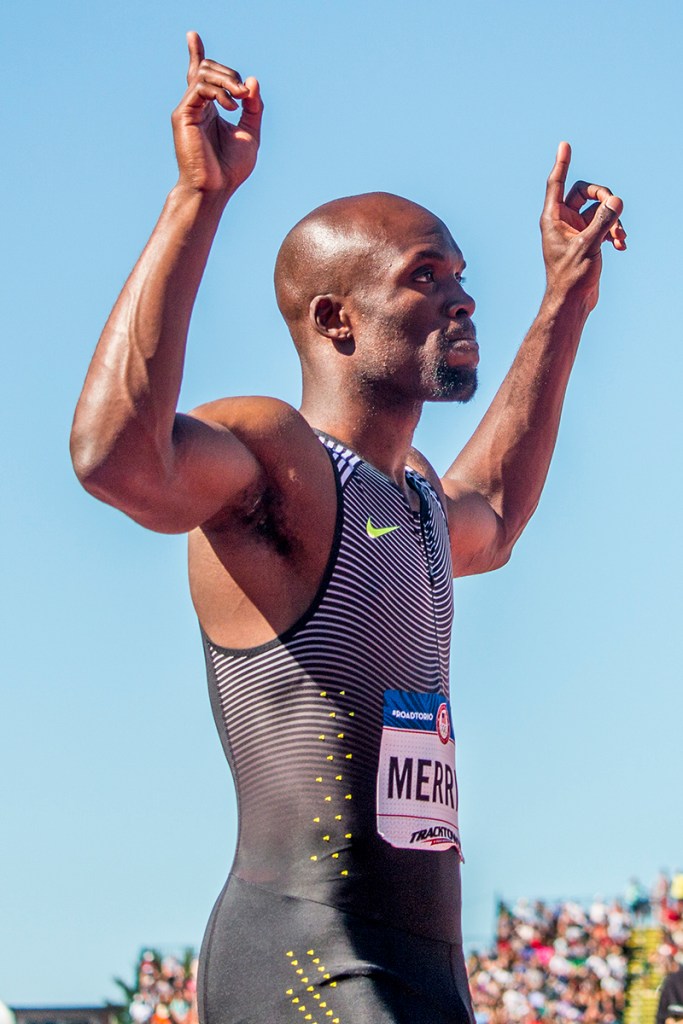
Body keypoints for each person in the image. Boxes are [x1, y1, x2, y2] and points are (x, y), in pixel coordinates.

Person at [70, 31, 626, 1024]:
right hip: (304, 960)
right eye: (425, 276)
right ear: (337, 321)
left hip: (423, 965)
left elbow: (491, 516)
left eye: (461, 273)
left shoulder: (408, 497)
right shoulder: (279, 464)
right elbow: (119, 461)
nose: (462, 294)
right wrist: (197, 198)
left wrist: (562, 306)